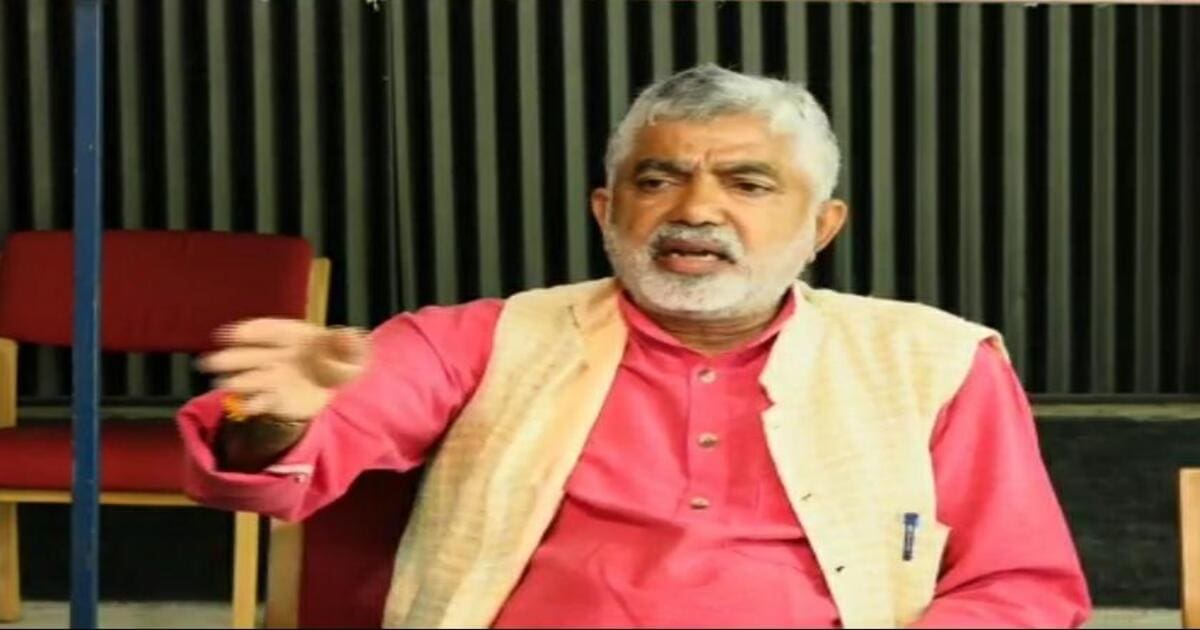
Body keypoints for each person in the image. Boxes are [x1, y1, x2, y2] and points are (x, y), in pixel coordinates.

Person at [177, 64, 1091, 628]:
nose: (696, 209)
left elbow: (1021, 586)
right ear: (607, 210)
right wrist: (272, 419)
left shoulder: (933, 361)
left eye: (748, 184)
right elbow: (283, 460)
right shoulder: (479, 339)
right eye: (658, 180)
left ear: (823, 226)